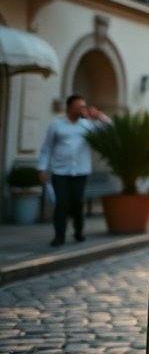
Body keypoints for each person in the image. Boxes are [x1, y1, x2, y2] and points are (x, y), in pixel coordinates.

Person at [37, 95, 110, 247]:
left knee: (77, 202)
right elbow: (47, 148)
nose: (83, 109)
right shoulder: (56, 125)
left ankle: (78, 231)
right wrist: (42, 168)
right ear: (70, 107)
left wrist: (98, 115)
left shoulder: (87, 125)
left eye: (84, 106)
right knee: (61, 204)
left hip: (81, 172)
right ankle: (59, 236)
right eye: (80, 106)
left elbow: (110, 127)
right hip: (60, 172)